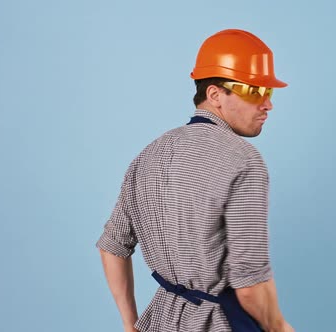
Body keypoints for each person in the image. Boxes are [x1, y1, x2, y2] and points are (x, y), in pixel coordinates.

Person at [96, 29, 295, 332]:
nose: (267, 105)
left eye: (269, 93)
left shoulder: (150, 153)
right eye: (254, 92)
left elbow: (112, 246)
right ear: (215, 94)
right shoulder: (244, 160)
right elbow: (250, 285)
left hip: (161, 319)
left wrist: (130, 323)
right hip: (222, 321)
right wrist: (280, 327)